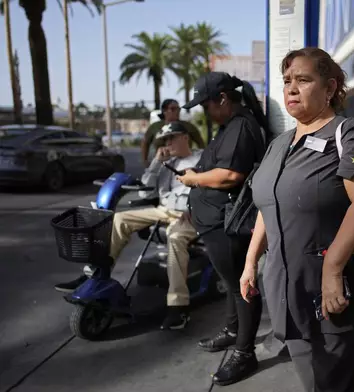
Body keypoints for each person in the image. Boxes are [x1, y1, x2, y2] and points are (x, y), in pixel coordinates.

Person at [240, 47, 354, 392]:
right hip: (284, 287)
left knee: (334, 382)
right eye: (287, 80)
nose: (291, 88)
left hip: (329, 291)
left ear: (330, 87)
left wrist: (333, 268)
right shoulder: (279, 143)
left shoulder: (348, 133)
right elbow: (269, 205)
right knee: (312, 380)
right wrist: (250, 262)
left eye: (303, 80)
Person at [55, 121, 203, 330]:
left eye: (171, 138)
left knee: (176, 238)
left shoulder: (202, 158)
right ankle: (95, 274)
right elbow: (145, 193)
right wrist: (155, 163)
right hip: (163, 209)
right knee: (118, 220)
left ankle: (177, 307)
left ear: (185, 137)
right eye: (164, 141)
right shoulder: (166, 163)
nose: (167, 144)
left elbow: (210, 189)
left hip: (188, 214)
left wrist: (195, 209)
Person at [176, 72, 270, 386]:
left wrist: (192, 180)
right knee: (231, 283)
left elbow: (230, 176)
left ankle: (245, 352)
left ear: (222, 99)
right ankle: (233, 331)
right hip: (213, 221)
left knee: (243, 286)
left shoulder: (241, 126)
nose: (204, 111)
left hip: (226, 223)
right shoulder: (229, 126)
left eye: (205, 105)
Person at [142, 99, 206, 167]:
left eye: (178, 109)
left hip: (185, 163)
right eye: (173, 109)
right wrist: (145, 161)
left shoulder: (188, 126)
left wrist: (203, 159)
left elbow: (200, 142)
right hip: (161, 163)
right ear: (164, 111)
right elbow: (145, 142)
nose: (177, 112)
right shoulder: (155, 127)